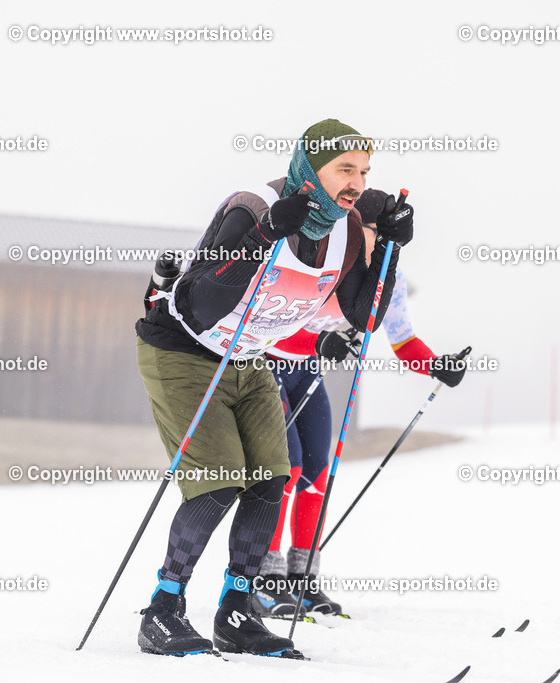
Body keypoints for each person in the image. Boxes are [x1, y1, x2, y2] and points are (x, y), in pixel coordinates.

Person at [133, 119, 414, 657]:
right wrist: (266, 236)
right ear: (312, 168)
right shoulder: (252, 208)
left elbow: (362, 315)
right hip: (184, 350)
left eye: (363, 171)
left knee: (270, 480)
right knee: (218, 481)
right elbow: (201, 302)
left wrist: (389, 250)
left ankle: (236, 613)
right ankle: (162, 610)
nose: (355, 182)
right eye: (344, 169)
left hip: (250, 356)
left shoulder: (349, 231)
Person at [254, 188, 468, 619]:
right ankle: (265, 579)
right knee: (286, 468)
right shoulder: (329, 260)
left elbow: (403, 339)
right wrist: (319, 339)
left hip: (307, 371)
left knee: (318, 470)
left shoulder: (389, 276)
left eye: (384, 234)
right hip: (269, 366)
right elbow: (270, 318)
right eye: (371, 231)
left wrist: (437, 365)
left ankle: (302, 579)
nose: (377, 241)